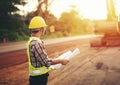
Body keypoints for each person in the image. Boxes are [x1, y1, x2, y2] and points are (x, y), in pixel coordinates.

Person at [26, 16, 69, 85]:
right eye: (44, 27)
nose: (45, 29)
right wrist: (60, 61)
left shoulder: (31, 41)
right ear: (41, 29)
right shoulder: (37, 43)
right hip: (39, 79)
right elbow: (46, 62)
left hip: (35, 78)